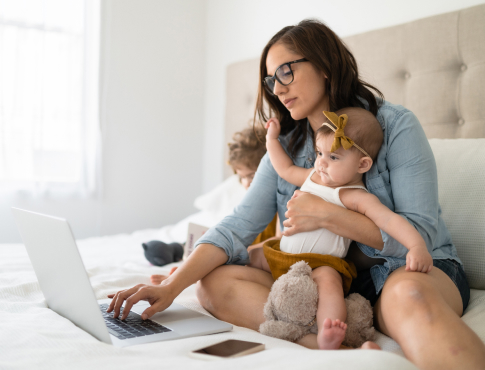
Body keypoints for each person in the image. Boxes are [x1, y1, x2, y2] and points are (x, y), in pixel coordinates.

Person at [107, 19, 485, 369]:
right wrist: (174, 286)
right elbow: (239, 224)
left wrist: (329, 216)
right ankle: (325, 343)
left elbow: (418, 235)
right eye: (272, 80)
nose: (279, 86)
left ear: (324, 65)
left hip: (409, 270)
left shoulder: (394, 125)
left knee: (409, 297)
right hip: (325, 278)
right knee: (213, 285)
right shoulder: (285, 147)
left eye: (287, 70)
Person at [248, 107, 432, 349]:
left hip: (321, 263)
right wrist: (271, 140)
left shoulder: (354, 196)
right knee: (249, 255)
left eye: (333, 157)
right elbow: (285, 169)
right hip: (282, 256)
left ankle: (329, 331)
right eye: (319, 153)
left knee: (330, 285)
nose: (322, 163)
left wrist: (416, 245)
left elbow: (389, 221)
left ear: (362, 164)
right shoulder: (315, 175)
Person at [150, 127, 280, 285]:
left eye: (252, 175)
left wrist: (230, 255)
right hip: (244, 255)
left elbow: (277, 240)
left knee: (216, 268)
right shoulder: (247, 205)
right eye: (242, 177)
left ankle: (191, 273)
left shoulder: (278, 202)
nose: (246, 183)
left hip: (260, 260)